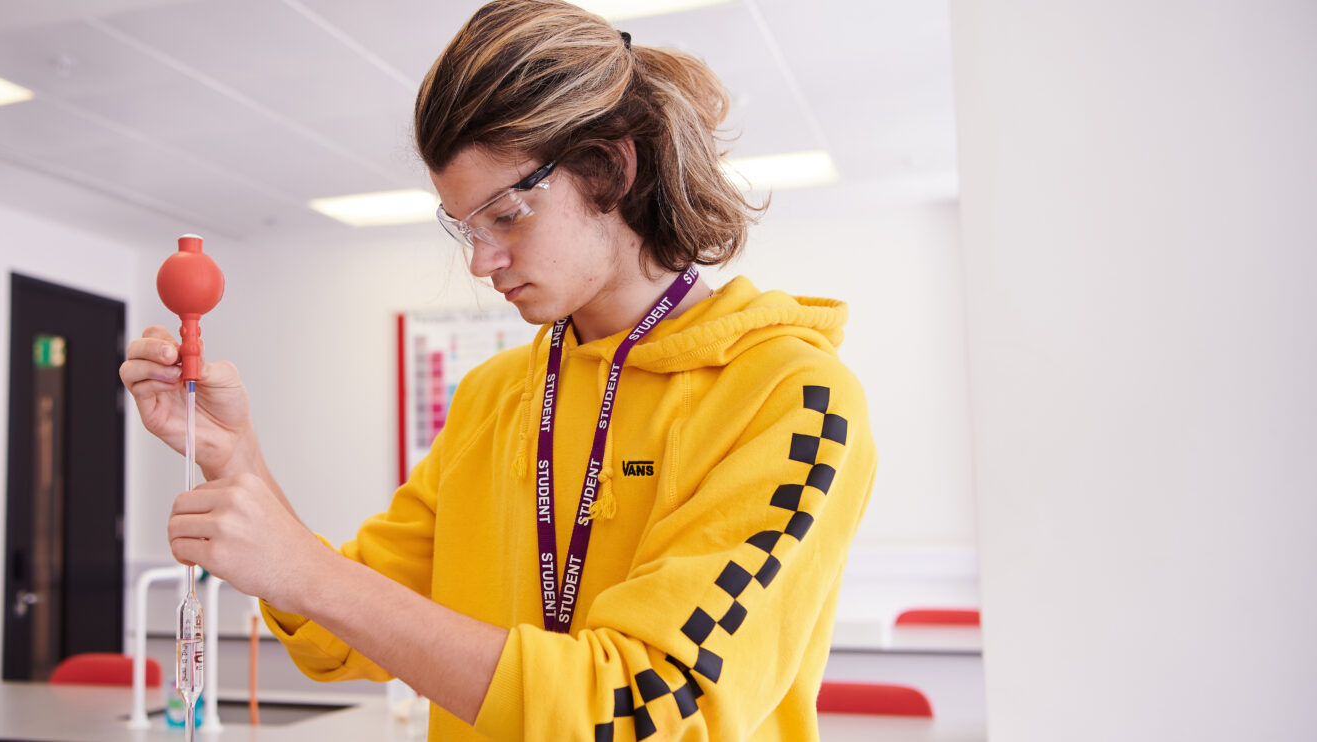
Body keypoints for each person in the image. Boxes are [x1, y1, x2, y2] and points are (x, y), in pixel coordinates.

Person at [120, 1, 876, 739]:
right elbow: (335, 636)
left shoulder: (792, 398)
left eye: (508, 215)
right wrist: (237, 460)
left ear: (610, 168)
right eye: (465, 226)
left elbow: (641, 710)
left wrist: (312, 575)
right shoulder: (498, 395)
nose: (481, 262)